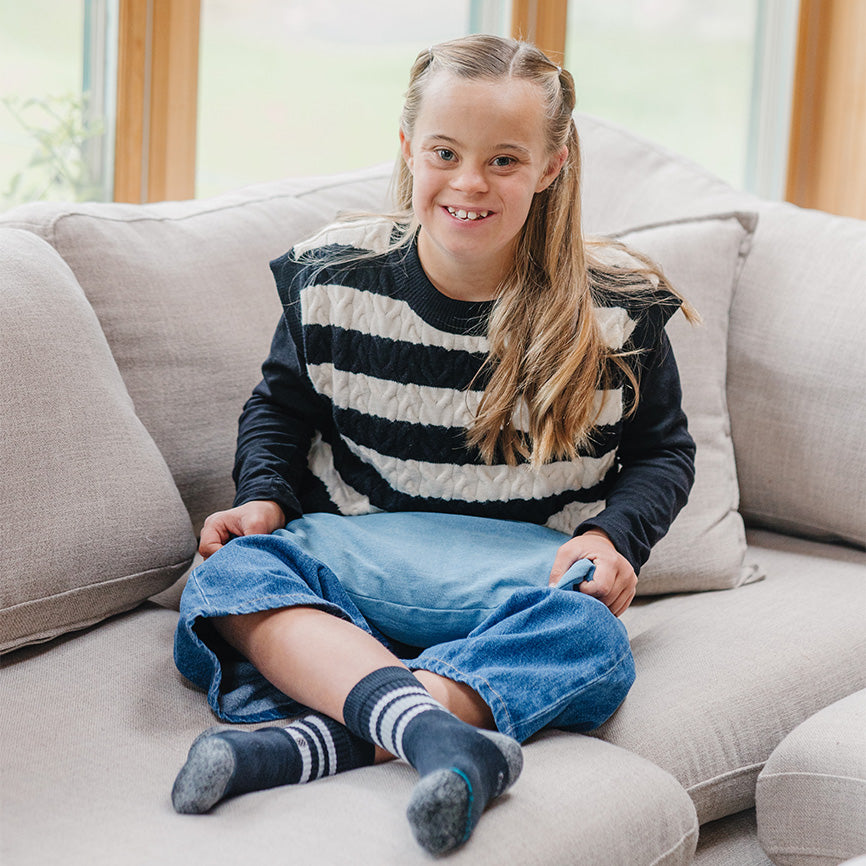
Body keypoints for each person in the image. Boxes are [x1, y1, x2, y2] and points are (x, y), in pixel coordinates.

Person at [171, 34, 697, 856]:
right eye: (445, 153)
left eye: (505, 161)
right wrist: (263, 498)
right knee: (227, 576)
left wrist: (612, 537)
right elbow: (279, 408)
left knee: (593, 641)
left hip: (520, 581)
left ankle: (316, 738)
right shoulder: (332, 277)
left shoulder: (619, 311)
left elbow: (664, 452)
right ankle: (445, 732)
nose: (469, 183)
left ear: (551, 168)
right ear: (409, 149)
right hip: (349, 562)